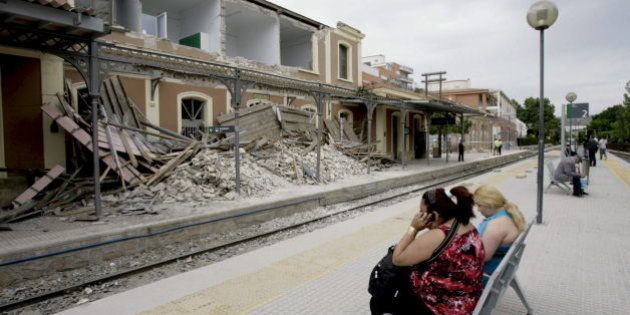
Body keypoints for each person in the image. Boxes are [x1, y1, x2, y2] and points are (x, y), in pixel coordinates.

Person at [391, 187, 485, 314]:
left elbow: (397, 259)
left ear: (434, 214)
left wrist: (413, 228)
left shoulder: (438, 235)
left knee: (381, 297)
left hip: (441, 308)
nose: (420, 216)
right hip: (466, 300)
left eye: (422, 212)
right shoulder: (467, 225)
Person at [472, 185, 526, 284]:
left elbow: (482, 257)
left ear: (489, 204)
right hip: (499, 265)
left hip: (486, 273)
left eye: (479, 205)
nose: (478, 210)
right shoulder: (508, 213)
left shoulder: (496, 226)